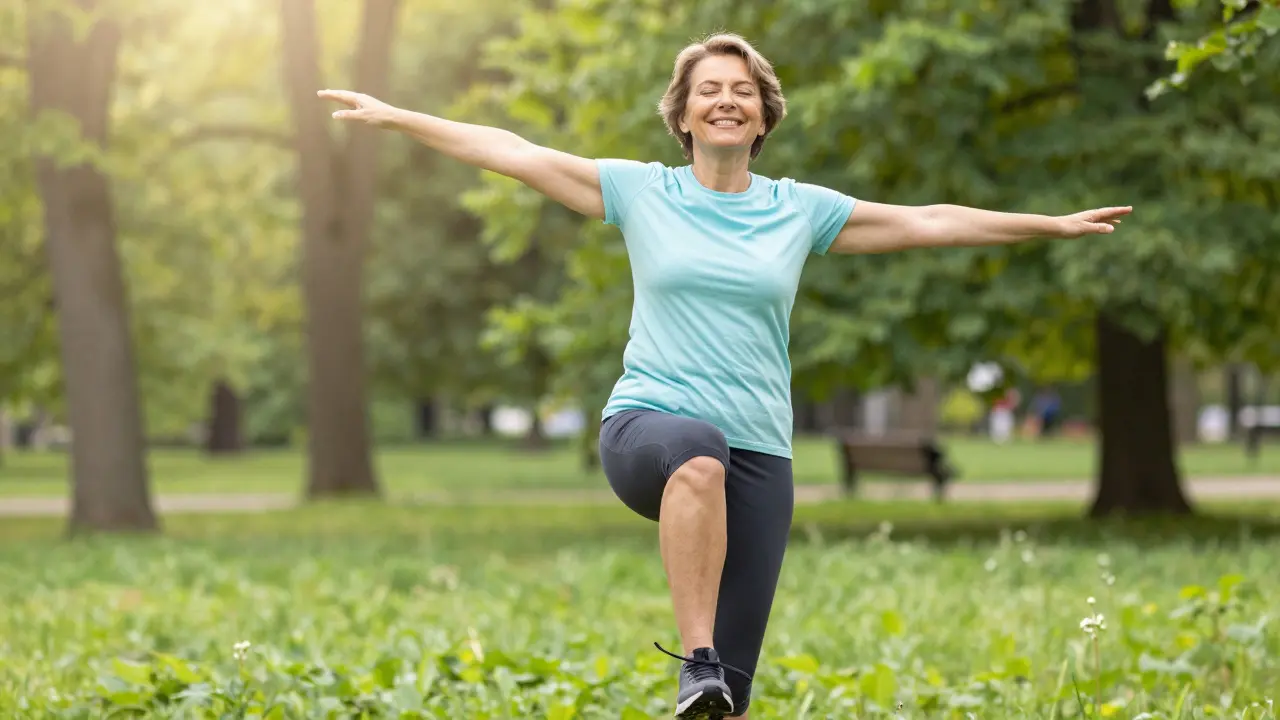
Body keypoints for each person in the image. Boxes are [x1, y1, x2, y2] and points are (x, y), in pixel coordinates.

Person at [320, 31, 1130, 720]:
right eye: (708, 90)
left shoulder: (797, 210)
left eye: (743, 91)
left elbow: (929, 221)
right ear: (681, 114)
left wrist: (1049, 225)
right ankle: (694, 651)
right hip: (647, 428)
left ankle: (709, 671)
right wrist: (397, 117)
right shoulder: (642, 193)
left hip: (762, 455)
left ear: (765, 114)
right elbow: (513, 151)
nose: (726, 101)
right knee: (696, 457)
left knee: (725, 700)